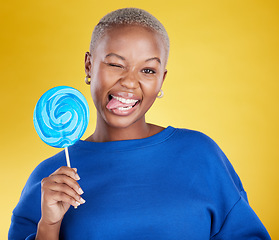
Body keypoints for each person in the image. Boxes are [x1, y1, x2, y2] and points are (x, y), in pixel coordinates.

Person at [9, 8, 271, 240]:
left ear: (161, 80)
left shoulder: (201, 155)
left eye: (148, 70)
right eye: (115, 64)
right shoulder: (51, 181)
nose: (130, 82)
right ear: (89, 66)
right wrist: (49, 226)